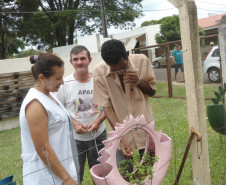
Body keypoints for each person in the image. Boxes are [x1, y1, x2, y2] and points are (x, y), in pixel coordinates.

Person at [19, 53, 80, 185]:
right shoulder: (35, 104)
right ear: (42, 78)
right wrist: (66, 178)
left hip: (61, 170)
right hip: (46, 177)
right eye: (58, 78)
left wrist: (73, 163)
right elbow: (43, 149)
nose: (62, 82)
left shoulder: (49, 95)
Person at [93, 39, 156, 160]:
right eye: (114, 70)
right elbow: (107, 108)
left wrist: (138, 81)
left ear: (127, 54)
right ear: (106, 63)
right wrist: (121, 138)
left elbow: (152, 91)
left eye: (122, 67)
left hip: (145, 128)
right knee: (124, 172)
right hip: (120, 131)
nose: (120, 72)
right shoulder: (99, 72)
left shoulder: (141, 61)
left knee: (151, 170)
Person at [56, 45, 106, 184]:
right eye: (75, 59)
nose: (79, 62)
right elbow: (58, 110)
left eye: (83, 58)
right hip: (74, 139)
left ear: (89, 60)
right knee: (75, 175)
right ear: (71, 62)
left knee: (100, 174)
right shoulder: (64, 83)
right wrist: (74, 124)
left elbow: (108, 107)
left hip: (99, 135)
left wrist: (98, 122)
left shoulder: (99, 80)